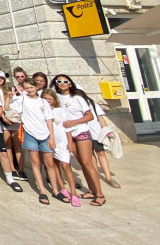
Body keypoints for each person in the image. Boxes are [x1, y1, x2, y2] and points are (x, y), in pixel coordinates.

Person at [51, 74, 105, 206]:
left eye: (65, 81)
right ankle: (91, 190)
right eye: (59, 81)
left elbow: (90, 116)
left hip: (81, 132)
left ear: (70, 84)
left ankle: (100, 194)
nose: (62, 83)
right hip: (67, 135)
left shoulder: (77, 98)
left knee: (87, 163)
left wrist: (74, 122)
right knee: (81, 163)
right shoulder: (56, 98)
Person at [10, 79, 58, 205]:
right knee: (35, 163)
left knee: (50, 163)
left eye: (31, 87)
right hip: (30, 134)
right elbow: (11, 108)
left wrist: (52, 137)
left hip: (45, 134)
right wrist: (12, 96)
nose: (29, 90)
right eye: (26, 88)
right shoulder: (22, 100)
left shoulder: (43, 101)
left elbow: (49, 119)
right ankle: (42, 190)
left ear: (36, 87)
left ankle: (55, 190)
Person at [42, 89, 80, 207]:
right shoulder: (41, 112)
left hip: (62, 142)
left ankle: (74, 193)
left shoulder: (60, 111)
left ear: (54, 100)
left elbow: (67, 127)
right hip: (49, 142)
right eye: (45, 99)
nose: (48, 101)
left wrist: (70, 141)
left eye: (50, 99)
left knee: (65, 165)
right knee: (54, 165)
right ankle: (62, 188)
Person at [86, 98, 121, 188]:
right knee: (90, 155)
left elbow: (100, 118)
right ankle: (95, 176)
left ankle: (108, 177)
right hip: (84, 134)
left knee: (101, 153)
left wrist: (106, 130)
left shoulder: (92, 104)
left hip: (96, 134)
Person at [0, 71, 20, 180]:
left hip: (11, 118)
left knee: (16, 144)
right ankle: (11, 169)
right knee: (6, 145)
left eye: (1, 78)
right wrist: (3, 118)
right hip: (0, 120)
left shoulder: (9, 90)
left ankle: (19, 169)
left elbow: (13, 105)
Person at [8, 67, 29, 181]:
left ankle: (21, 170)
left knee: (18, 146)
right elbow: (8, 103)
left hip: (24, 120)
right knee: (10, 145)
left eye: (22, 76)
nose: (20, 78)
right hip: (13, 119)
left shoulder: (29, 88)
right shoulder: (13, 88)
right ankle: (12, 169)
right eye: (17, 77)